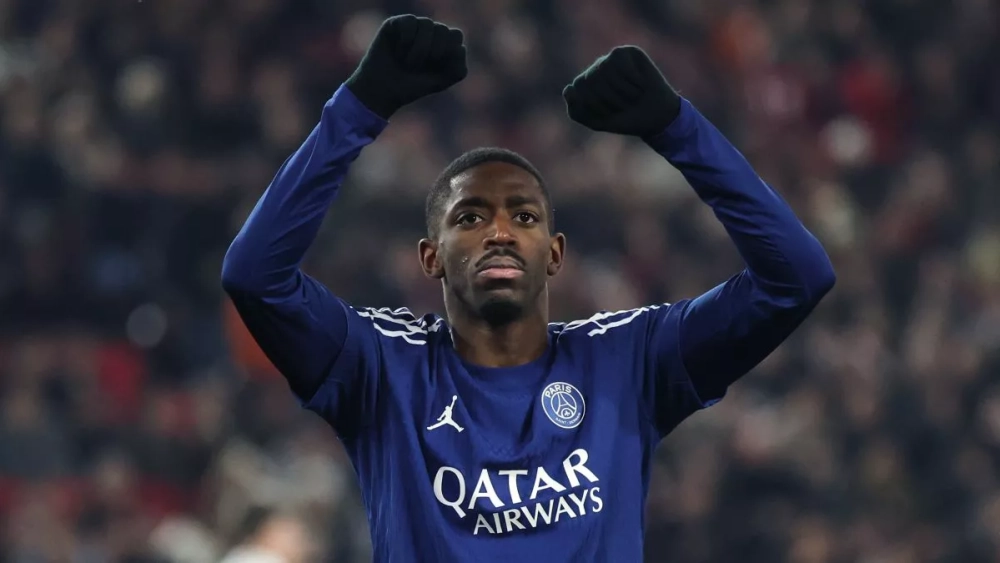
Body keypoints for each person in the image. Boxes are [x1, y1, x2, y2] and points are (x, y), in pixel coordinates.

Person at [221, 14, 836, 562]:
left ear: (556, 253)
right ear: (431, 259)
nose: (499, 232)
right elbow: (254, 276)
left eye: (524, 216)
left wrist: (678, 129)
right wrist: (357, 109)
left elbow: (797, 277)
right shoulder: (381, 367)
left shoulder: (626, 359)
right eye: (469, 217)